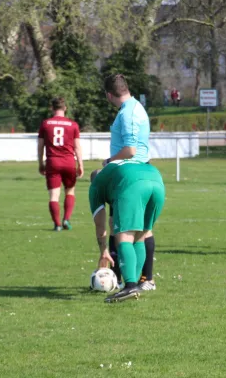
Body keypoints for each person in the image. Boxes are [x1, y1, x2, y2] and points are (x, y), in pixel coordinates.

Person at [102, 73, 157, 291]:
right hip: (143, 171)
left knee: (122, 228)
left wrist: (108, 161)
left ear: (109, 95)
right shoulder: (137, 107)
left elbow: (130, 150)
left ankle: (135, 280)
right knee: (143, 229)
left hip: (129, 177)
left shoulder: (127, 114)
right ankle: (143, 279)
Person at [89, 160, 165, 303]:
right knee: (140, 236)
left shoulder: (95, 187)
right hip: (157, 181)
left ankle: (129, 286)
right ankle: (133, 285)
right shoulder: (114, 171)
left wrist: (104, 251)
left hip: (133, 185)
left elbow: (100, 226)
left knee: (124, 237)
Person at [37, 97, 84, 231]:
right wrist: (80, 164)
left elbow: (40, 146)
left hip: (53, 162)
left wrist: (41, 163)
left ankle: (57, 224)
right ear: (65, 108)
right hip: (69, 161)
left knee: (54, 196)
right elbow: (77, 147)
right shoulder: (73, 124)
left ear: (52, 108)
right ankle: (66, 219)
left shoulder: (46, 124)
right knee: (70, 191)